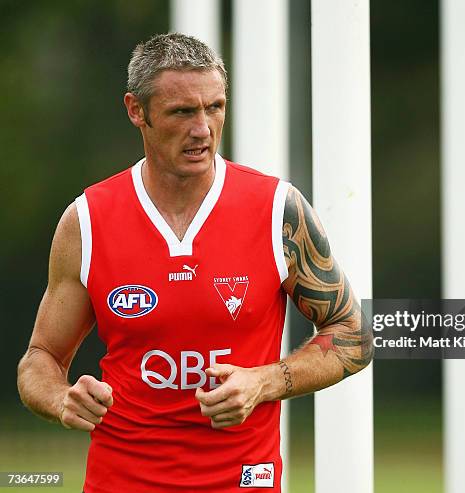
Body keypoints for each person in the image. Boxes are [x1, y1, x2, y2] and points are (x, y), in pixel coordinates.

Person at [17, 33, 372, 493]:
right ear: (136, 110)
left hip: (243, 481)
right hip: (121, 480)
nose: (203, 128)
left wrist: (264, 382)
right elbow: (39, 358)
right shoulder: (86, 222)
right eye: (183, 112)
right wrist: (62, 398)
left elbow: (353, 335)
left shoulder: (277, 210)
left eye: (215, 107)